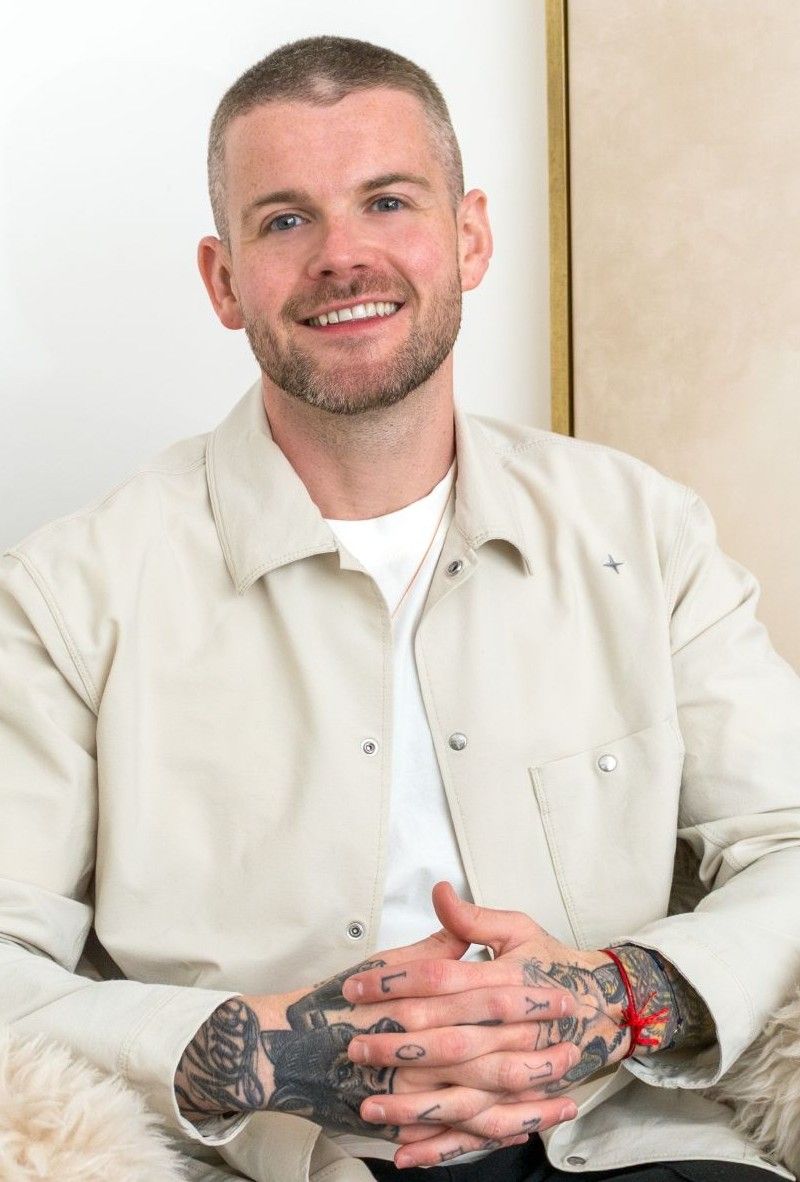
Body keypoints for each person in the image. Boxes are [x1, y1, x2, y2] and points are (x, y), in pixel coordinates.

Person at [1, 33, 799, 1182]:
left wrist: (625, 996)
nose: (342, 256)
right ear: (224, 282)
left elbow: (787, 837)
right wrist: (244, 1051)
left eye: (386, 200)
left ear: (468, 237)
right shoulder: (66, 590)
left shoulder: (643, 530)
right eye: (284, 220)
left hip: (619, 1140)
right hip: (254, 1162)